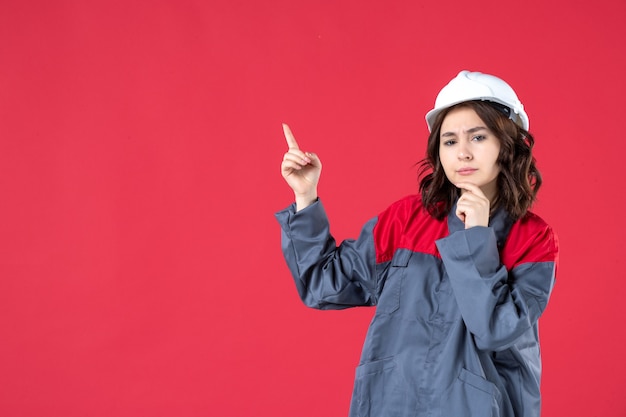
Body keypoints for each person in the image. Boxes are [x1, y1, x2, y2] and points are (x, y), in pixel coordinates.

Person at [276, 70, 559, 417]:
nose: (463, 153)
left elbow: (493, 330)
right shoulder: (406, 220)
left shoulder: (533, 239)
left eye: (479, 137)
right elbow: (322, 284)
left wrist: (477, 238)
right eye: (450, 141)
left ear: (509, 144)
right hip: (391, 405)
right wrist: (305, 196)